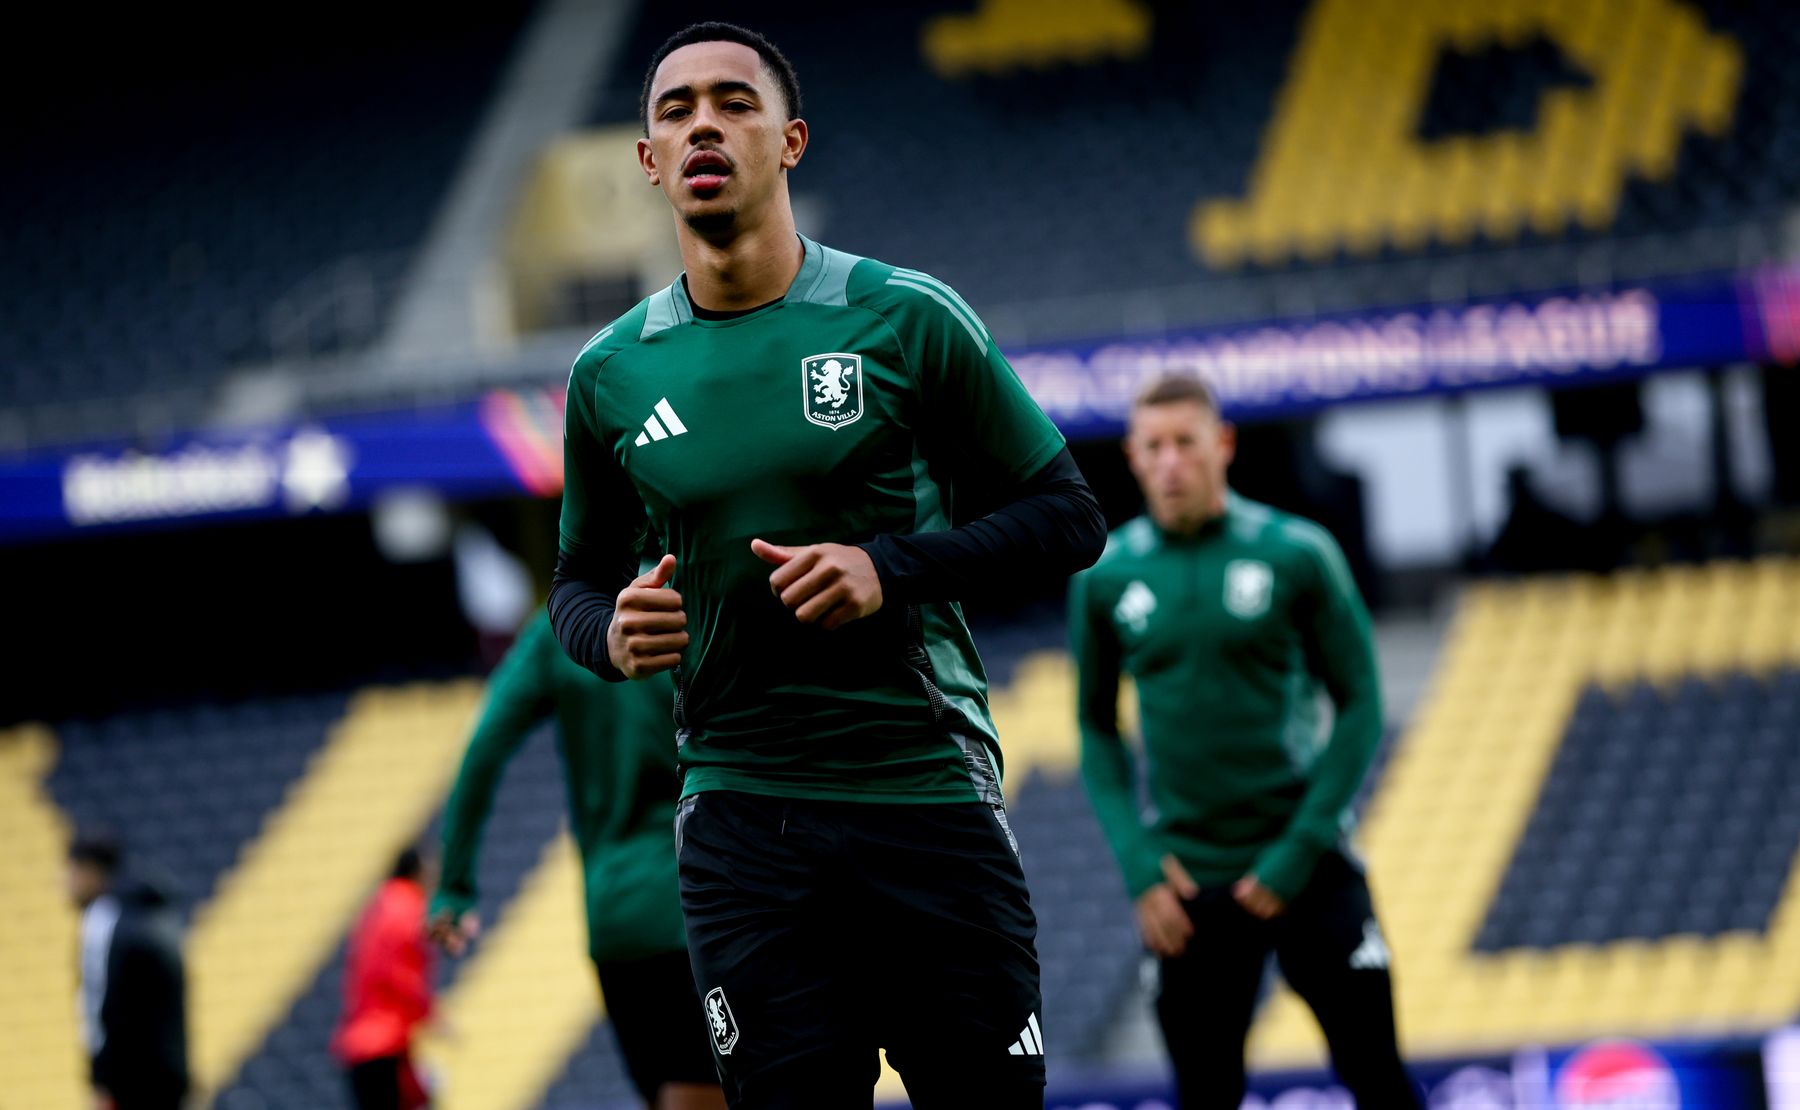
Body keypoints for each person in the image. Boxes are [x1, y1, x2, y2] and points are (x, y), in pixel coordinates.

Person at [547, 21, 1106, 1109]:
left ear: (790, 139)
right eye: (675, 109)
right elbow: (571, 584)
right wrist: (610, 636)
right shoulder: (606, 374)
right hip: (740, 820)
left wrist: (888, 568)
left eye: (734, 102)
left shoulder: (904, 316)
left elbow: (1068, 516)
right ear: (650, 161)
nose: (704, 121)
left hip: (924, 792)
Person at [1069, 376, 1420, 1109]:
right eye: (1153, 446)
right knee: (1204, 1096)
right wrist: (1140, 869)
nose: (1170, 462)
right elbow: (1096, 730)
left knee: (1380, 1083)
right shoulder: (1104, 579)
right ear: (1131, 457)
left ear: (1221, 445)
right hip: (1189, 884)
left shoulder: (1297, 552)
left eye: (1185, 443)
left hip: (1306, 865)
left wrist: (1298, 850)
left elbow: (1360, 705)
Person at [428, 607, 724, 1110]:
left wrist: (455, 884)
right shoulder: (689, 598)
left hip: (613, 919)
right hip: (699, 899)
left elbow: (483, 745)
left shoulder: (559, 630)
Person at [68, 829, 191, 1110]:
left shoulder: (103, 923)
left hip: (130, 1084)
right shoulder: (149, 917)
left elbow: (100, 1004)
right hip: (168, 1077)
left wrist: (101, 1080)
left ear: (89, 872)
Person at [333, 846, 436, 1110]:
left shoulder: (380, 906)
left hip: (363, 1040)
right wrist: (431, 1014)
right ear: (418, 872)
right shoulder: (407, 909)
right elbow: (401, 976)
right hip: (383, 1042)